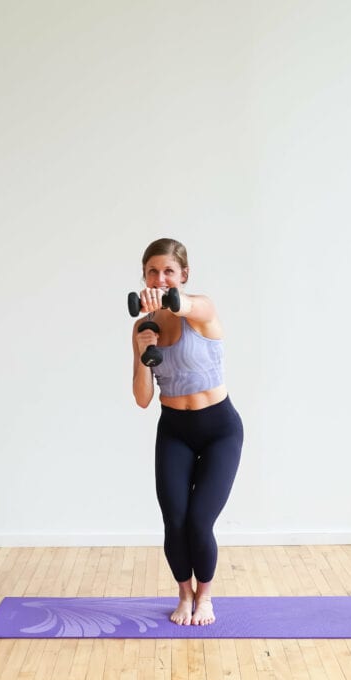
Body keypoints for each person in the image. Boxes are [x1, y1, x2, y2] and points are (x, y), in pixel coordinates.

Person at [131, 238, 243, 627]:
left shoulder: (202, 309)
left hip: (219, 430)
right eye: (152, 272)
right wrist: (140, 350)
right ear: (143, 275)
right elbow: (143, 399)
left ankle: (206, 596)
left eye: (168, 272)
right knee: (175, 520)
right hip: (174, 429)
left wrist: (169, 300)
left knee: (199, 521)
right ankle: (184, 594)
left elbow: (186, 305)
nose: (160, 278)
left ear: (183, 275)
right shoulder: (143, 326)